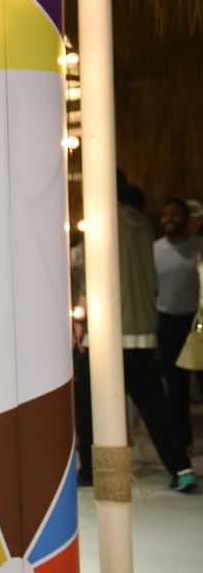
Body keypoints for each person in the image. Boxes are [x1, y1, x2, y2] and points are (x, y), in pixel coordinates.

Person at [109, 172, 196, 491]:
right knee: (155, 403)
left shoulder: (104, 222)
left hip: (109, 328)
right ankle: (182, 468)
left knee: (94, 404)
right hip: (144, 326)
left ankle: (99, 472)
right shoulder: (144, 226)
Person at [154, 198, 203, 453]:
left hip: (197, 322)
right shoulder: (155, 248)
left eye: (174, 214)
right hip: (168, 322)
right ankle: (183, 440)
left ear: (186, 218)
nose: (169, 219)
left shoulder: (199, 246)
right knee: (175, 385)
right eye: (165, 215)